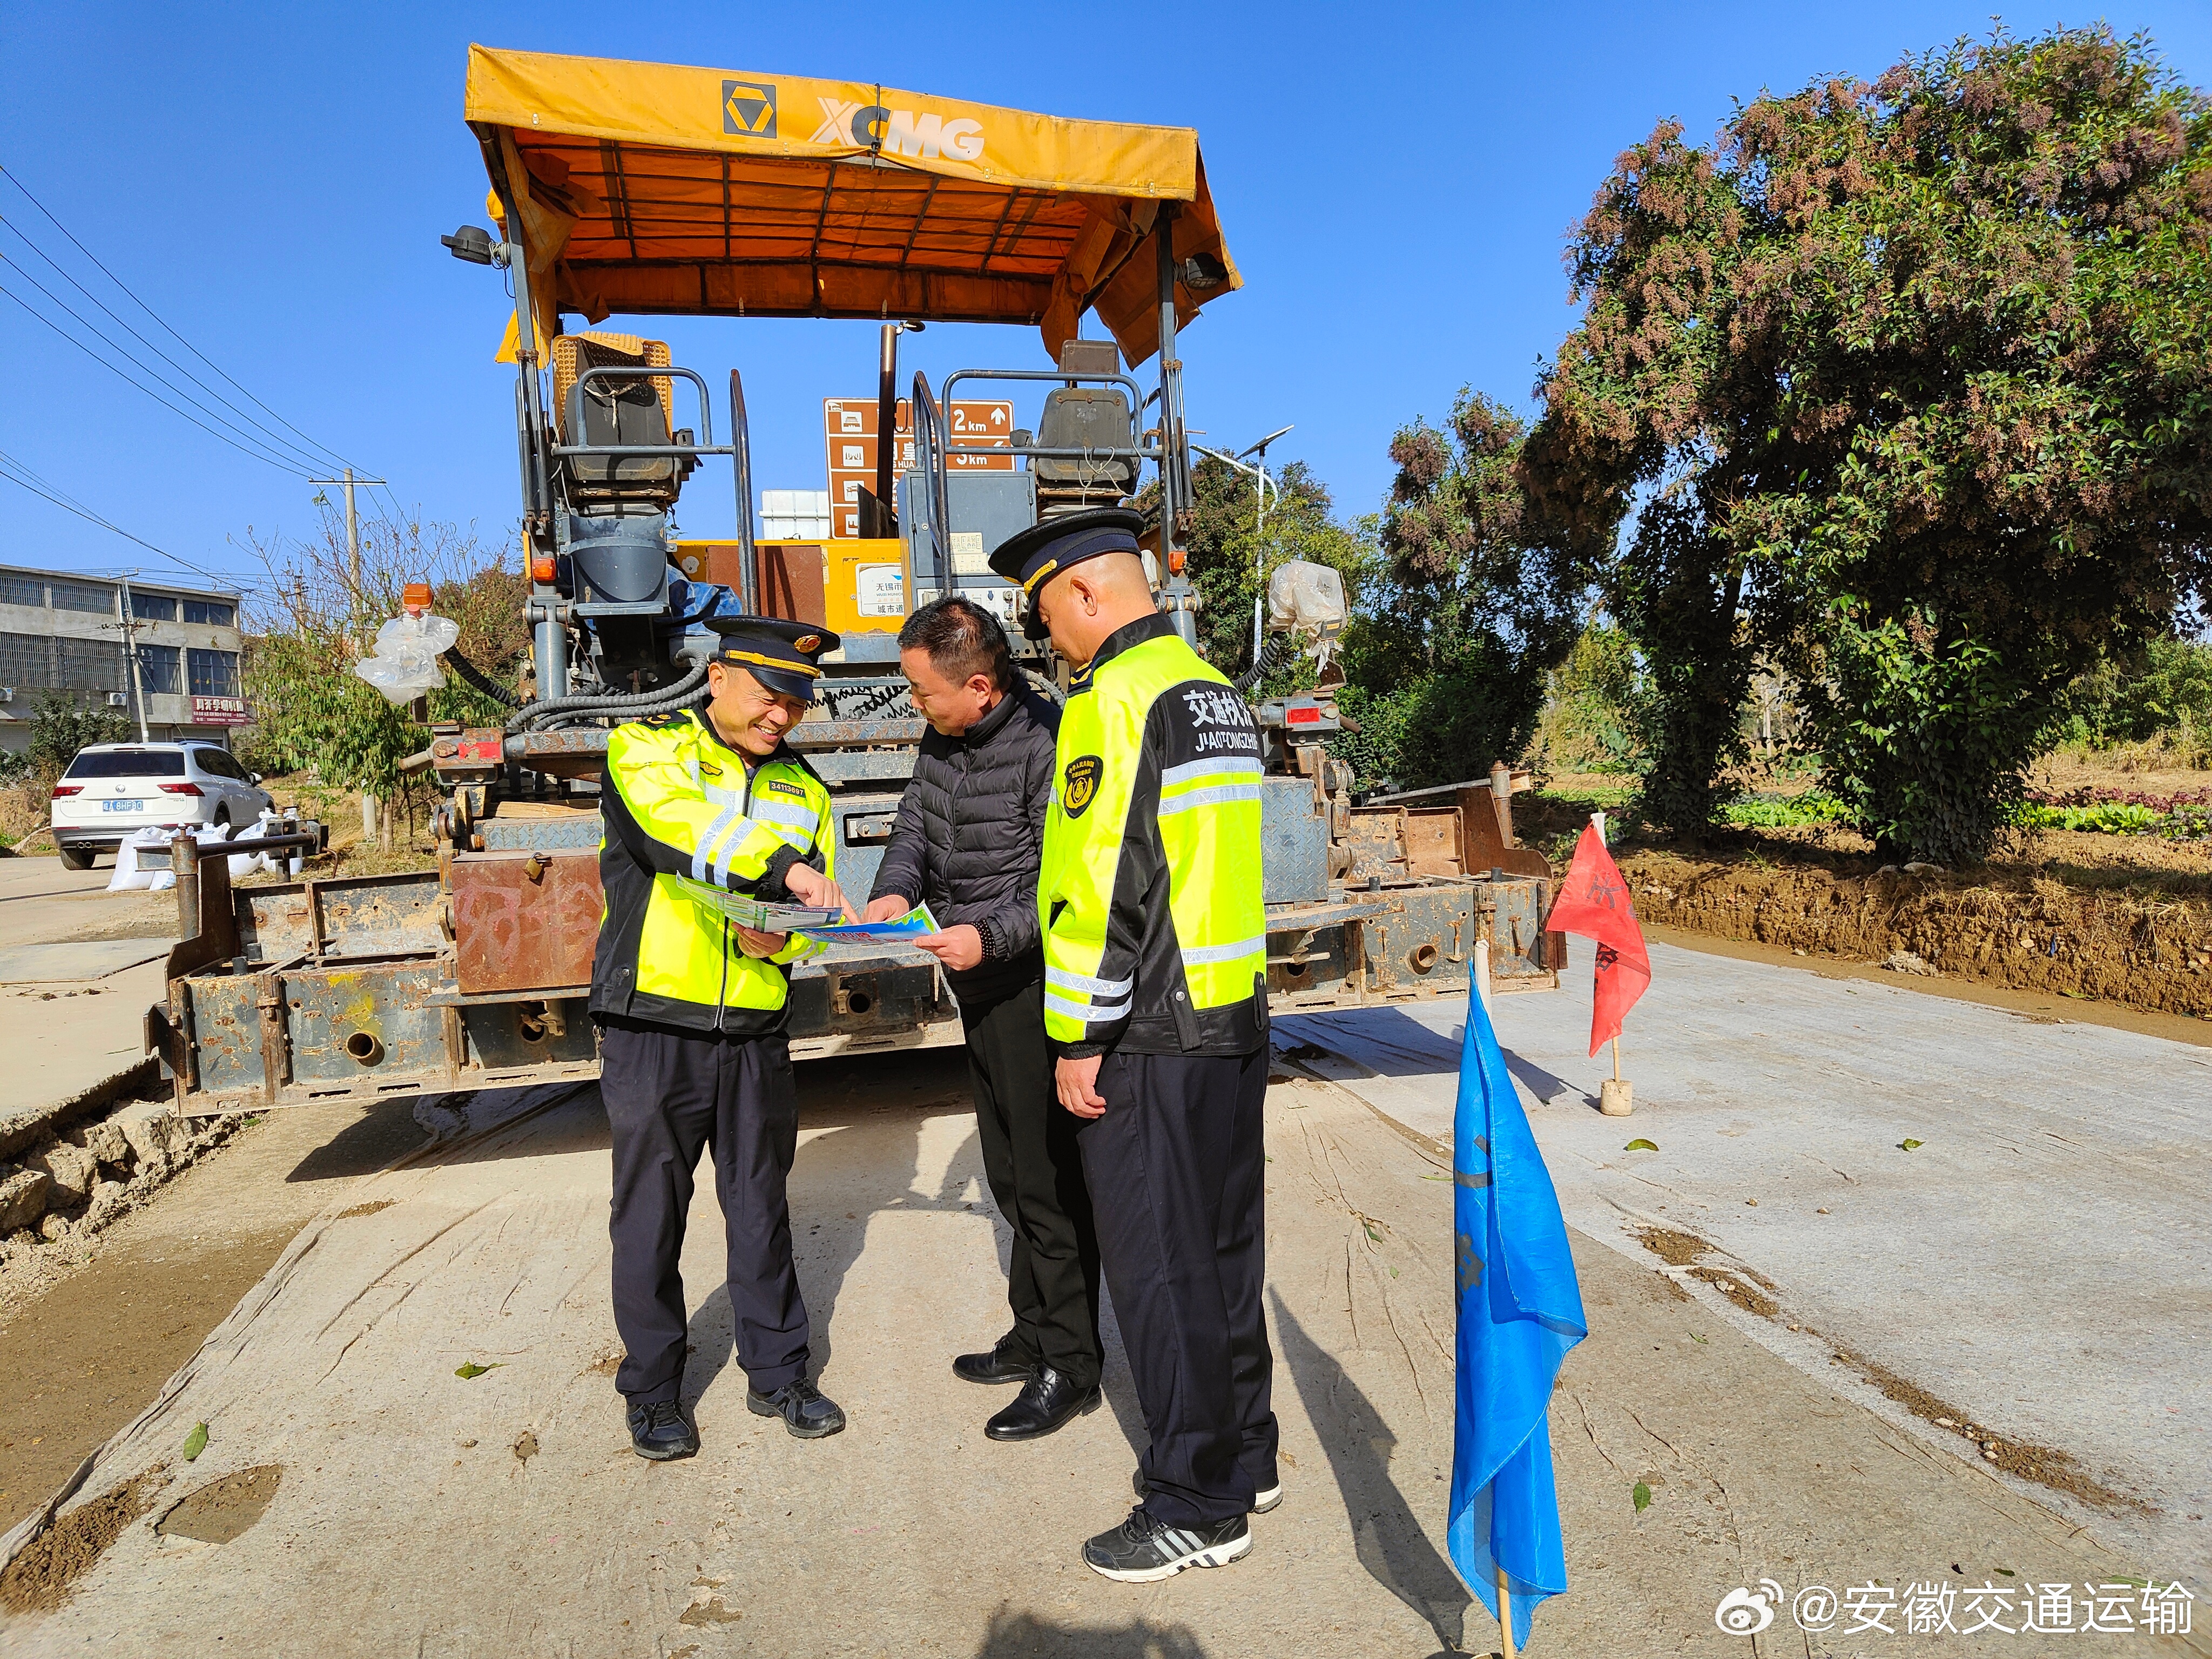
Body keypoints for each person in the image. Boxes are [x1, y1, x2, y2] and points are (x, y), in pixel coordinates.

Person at [988, 508, 1280, 1582]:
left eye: (1045, 613)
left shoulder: (1110, 703)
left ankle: (1195, 1502)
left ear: (1083, 595)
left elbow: (1097, 888)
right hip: (1230, 1017)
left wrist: (1078, 1037)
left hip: (1151, 1035)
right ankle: (1245, 1453)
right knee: (1222, 1257)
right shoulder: (1214, 693)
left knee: (1157, 1274)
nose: (1049, 639)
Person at [591, 616, 853, 1459]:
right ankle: (656, 1393)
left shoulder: (803, 790)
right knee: (650, 1216)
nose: (784, 716)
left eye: (798, 703)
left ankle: (781, 1375)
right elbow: (680, 832)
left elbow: (816, 914)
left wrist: (793, 936)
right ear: (717, 680)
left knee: (761, 1208)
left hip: (753, 1029)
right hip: (653, 1020)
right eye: (770, 696)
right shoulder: (647, 749)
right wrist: (784, 872)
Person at [861, 597, 1103, 1441]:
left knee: (1047, 1186)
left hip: (1031, 984)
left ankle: (1070, 1366)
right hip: (978, 985)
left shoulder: (1051, 741)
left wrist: (986, 938)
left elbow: (1066, 885)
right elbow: (914, 826)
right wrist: (896, 888)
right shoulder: (948, 736)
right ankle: (1031, 1331)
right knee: (1008, 1176)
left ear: (979, 685)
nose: (915, 705)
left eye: (923, 692)